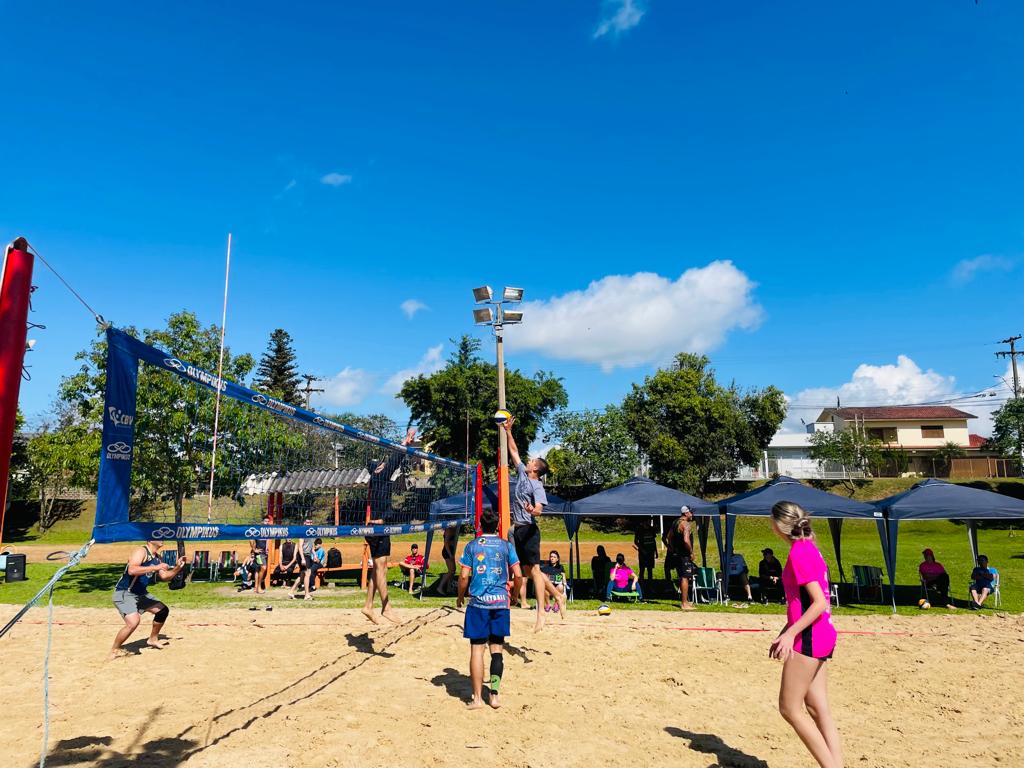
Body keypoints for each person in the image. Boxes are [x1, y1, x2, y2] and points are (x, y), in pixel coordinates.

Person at [768, 501, 842, 768]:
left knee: (789, 708)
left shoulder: (799, 553)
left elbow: (818, 602)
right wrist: (785, 631)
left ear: (778, 526)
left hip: (811, 636)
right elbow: (802, 603)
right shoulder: (809, 548)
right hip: (821, 632)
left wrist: (791, 635)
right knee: (817, 708)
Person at [501, 415, 565, 631]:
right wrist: (508, 431)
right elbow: (514, 452)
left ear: (536, 469)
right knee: (529, 573)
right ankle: (557, 595)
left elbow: (539, 509)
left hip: (529, 530)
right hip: (517, 530)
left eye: (532, 462)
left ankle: (541, 613)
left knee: (535, 572)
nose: (528, 462)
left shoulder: (537, 486)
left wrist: (532, 510)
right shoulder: (521, 474)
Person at [457, 507, 523, 710]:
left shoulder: (472, 546)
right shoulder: (505, 546)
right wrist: (513, 594)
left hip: (478, 603)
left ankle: (477, 699)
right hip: (500, 602)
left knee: (477, 650)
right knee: (497, 650)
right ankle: (494, 696)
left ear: (479, 525)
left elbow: (464, 576)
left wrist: (460, 596)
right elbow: (518, 575)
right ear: (497, 525)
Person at [363, 427, 417, 624]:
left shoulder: (378, 481)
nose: (382, 465)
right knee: (381, 569)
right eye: (379, 464)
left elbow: (391, 463)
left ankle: (369, 605)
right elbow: (394, 461)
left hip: (377, 527)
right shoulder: (379, 477)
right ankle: (386, 607)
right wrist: (406, 442)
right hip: (376, 529)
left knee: (379, 568)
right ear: (376, 469)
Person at [109, 540, 186, 660]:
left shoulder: (157, 557)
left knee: (162, 611)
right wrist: (156, 567)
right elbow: (132, 570)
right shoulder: (141, 551)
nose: (162, 539)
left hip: (141, 594)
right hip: (125, 592)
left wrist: (177, 568)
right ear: (150, 540)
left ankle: (153, 639)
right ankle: (115, 649)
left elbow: (165, 577)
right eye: (158, 536)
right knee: (133, 622)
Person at [665, 508, 696, 610]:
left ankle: (685, 601)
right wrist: (691, 552)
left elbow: (669, 537)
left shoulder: (675, 522)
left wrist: (672, 548)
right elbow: (686, 540)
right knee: (685, 577)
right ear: (686, 513)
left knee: (682, 577)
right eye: (691, 513)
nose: (692, 515)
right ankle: (684, 603)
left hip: (677, 554)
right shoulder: (686, 525)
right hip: (684, 555)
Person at [290, 520, 317, 600]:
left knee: (302, 576)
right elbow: (300, 547)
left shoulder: (312, 533)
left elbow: (311, 546)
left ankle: (291, 592)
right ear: (304, 523)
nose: (310, 524)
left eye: (311, 522)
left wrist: (315, 555)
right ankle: (307, 594)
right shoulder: (302, 533)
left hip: (308, 555)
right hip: (302, 555)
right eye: (308, 522)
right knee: (307, 574)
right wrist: (302, 559)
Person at [250, 514, 272, 595]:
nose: (266, 523)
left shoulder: (267, 531)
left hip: (264, 553)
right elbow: (250, 538)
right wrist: (254, 549)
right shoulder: (258, 530)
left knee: (258, 570)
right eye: (265, 521)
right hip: (259, 554)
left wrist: (267, 548)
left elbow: (267, 541)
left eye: (268, 521)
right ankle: (258, 587)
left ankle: (256, 587)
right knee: (263, 568)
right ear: (262, 522)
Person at [439, 525, 460, 596]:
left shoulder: (453, 528)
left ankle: (449, 588)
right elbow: (446, 543)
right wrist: (450, 554)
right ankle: (440, 587)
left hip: (450, 551)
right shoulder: (448, 530)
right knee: (451, 571)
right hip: (447, 552)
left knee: (453, 570)